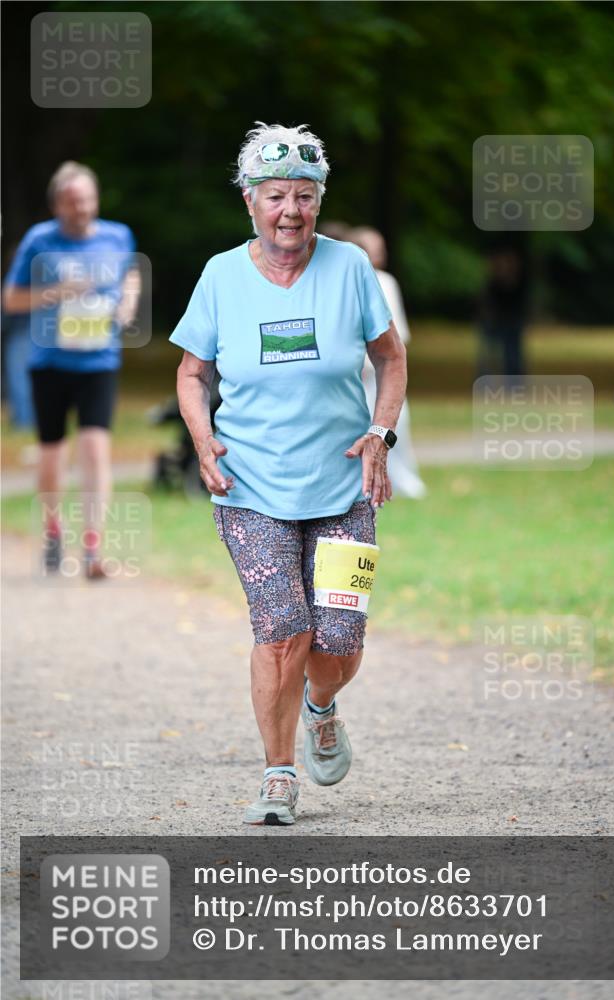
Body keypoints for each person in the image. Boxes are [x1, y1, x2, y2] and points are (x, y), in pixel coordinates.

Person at [170, 122, 407, 825]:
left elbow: (391, 359)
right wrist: (203, 437)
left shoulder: (350, 268)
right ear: (249, 201)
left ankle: (321, 706)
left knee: (338, 640)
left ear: (319, 198)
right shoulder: (220, 275)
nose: (290, 211)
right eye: (275, 196)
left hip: (343, 487)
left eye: (304, 195)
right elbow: (190, 373)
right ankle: (277, 774)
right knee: (280, 627)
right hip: (250, 491)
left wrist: (378, 432)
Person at [2, 162, 140, 578]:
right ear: (57, 204)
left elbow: (130, 273)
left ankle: (94, 548)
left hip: (99, 360)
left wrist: (127, 304)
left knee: (96, 450)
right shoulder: (39, 240)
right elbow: (11, 300)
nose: (80, 208)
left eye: (86, 199)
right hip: (50, 363)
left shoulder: (118, 235)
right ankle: (52, 531)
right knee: (52, 455)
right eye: (71, 201)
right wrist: (55, 293)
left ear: (95, 199)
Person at [348, 225, 427, 499]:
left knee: (395, 427)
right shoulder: (348, 283)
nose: (381, 253)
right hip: (355, 376)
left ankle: (402, 479)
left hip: (378, 372)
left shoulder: (385, 282)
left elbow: (397, 337)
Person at [477, 245, 528, 387]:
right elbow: (486, 302)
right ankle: (484, 382)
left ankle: (515, 384)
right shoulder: (493, 282)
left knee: (513, 354)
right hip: (494, 322)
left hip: (512, 321)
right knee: (487, 355)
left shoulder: (516, 281)